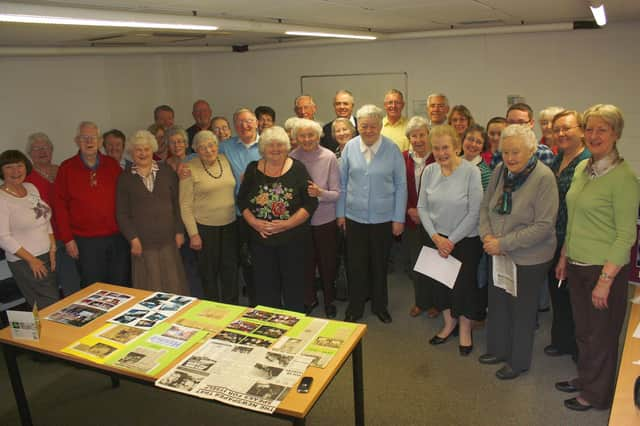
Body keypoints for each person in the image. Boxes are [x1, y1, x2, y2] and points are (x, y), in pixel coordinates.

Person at [555, 104, 639, 411]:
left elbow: (626, 235)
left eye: (601, 129)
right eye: (589, 129)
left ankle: (597, 395)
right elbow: (574, 217)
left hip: (603, 271)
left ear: (615, 134)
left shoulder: (624, 178)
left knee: (601, 335)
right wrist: (564, 254)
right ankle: (587, 378)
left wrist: (605, 280)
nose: (594, 135)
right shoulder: (582, 168)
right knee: (584, 331)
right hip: (576, 264)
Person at [478, 124, 559, 379]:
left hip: (529, 257)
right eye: (506, 151)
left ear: (532, 150)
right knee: (499, 304)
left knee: (522, 311)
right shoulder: (501, 170)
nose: (510, 158)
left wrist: (503, 244)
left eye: (516, 152)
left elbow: (544, 226)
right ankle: (499, 349)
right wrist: (487, 237)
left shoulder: (544, 178)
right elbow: (485, 207)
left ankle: (518, 361)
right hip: (498, 251)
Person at [337, 104, 407, 323]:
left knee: (379, 263)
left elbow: (401, 185)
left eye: (373, 126)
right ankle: (355, 306)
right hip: (354, 216)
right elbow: (342, 183)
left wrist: (398, 218)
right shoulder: (349, 147)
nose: (368, 130)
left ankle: (380, 305)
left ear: (380, 126)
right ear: (357, 126)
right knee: (355, 264)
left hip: (383, 218)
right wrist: (341, 214)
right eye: (364, 126)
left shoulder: (392, 149)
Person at [417, 125, 483, 356]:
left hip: (464, 240)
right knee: (440, 285)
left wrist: (450, 240)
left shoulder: (470, 172)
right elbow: (422, 207)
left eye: (446, 147)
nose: (441, 153)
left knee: (463, 287)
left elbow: (474, 212)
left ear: (456, 147)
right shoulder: (429, 171)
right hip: (436, 238)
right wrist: (436, 237)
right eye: (436, 148)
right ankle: (449, 324)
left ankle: (465, 329)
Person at [237, 126, 318, 313]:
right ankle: (270, 326)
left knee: (294, 287)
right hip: (261, 241)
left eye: (280, 145)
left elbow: (310, 203)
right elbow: (242, 201)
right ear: (263, 148)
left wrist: (287, 224)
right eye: (270, 145)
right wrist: (255, 223)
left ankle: (294, 326)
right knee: (265, 288)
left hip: (293, 240)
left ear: (287, 146)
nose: (275, 149)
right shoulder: (252, 169)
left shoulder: (298, 168)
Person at [54, 121, 130, 288]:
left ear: (100, 141)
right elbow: (59, 207)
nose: (89, 142)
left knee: (121, 285)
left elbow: (126, 199)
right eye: (84, 138)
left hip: (116, 238)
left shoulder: (112, 165)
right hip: (85, 241)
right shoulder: (66, 168)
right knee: (94, 289)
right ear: (76, 141)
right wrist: (68, 239)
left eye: (93, 138)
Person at [544, 110, 591, 361]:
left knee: (576, 296)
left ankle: (577, 347)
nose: (561, 133)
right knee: (557, 291)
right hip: (553, 236)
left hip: (574, 237)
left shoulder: (587, 162)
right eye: (557, 129)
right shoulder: (556, 159)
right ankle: (561, 339)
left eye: (567, 128)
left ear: (581, 131)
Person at [116, 130, 188, 295]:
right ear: (131, 152)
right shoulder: (124, 178)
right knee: (149, 289)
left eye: (146, 149)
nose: (143, 153)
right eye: (138, 150)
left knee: (175, 286)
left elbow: (177, 204)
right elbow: (122, 214)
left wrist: (179, 231)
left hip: (169, 240)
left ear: (153, 150)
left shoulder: (167, 172)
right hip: (143, 244)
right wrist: (133, 239)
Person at [289, 119, 340, 318]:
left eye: (311, 135)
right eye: (302, 135)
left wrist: (320, 193)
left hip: (325, 220)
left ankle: (329, 300)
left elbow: (336, 193)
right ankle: (309, 298)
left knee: (327, 263)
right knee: (304, 263)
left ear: (319, 136)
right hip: (300, 222)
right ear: (296, 138)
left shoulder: (328, 157)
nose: (307, 139)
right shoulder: (292, 157)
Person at [180, 131, 238, 303]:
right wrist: (193, 234)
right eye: (202, 147)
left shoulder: (226, 160)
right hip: (204, 228)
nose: (208, 150)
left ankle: (232, 307)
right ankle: (213, 309)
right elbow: (185, 204)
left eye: (211, 145)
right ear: (196, 149)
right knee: (208, 274)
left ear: (217, 145)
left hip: (230, 224)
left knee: (230, 271)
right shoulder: (189, 168)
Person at [24, 132, 82, 296]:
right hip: (47, 240)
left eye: (46, 147)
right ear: (30, 153)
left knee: (74, 282)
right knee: (51, 288)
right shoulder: (27, 178)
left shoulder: (62, 170)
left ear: (52, 150)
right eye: (36, 149)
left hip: (70, 235)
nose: (42, 151)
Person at [0, 150, 59, 308]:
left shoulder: (31, 188)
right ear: (1, 170)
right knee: (49, 305)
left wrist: (52, 248)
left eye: (19, 166)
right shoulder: (2, 198)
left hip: (46, 256)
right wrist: (32, 260)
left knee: (50, 304)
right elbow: (3, 238)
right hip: (26, 262)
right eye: (9, 167)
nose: (15, 171)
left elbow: (44, 217)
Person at [219, 108, 262, 305]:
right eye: (240, 122)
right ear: (235, 126)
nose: (245, 126)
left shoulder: (268, 144)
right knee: (239, 259)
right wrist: (185, 164)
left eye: (248, 121)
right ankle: (237, 302)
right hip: (235, 213)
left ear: (256, 123)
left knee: (260, 260)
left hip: (263, 213)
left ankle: (259, 300)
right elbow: (203, 156)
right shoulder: (224, 146)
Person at [402, 117, 437, 319]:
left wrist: (425, 213)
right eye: (414, 135)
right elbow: (398, 188)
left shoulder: (438, 157)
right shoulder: (403, 158)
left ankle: (436, 302)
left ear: (428, 136)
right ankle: (421, 301)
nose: (418, 139)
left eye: (422, 134)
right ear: (409, 138)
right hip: (411, 219)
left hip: (434, 220)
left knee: (434, 261)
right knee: (417, 262)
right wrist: (409, 209)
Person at [164, 125, 202, 297]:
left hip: (196, 218)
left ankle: (197, 296)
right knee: (179, 262)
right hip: (173, 219)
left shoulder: (195, 160)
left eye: (180, 141)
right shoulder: (164, 166)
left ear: (186, 143)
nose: (177, 145)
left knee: (195, 263)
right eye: (172, 142)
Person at [490, 103, 555, 169]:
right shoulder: (499, 153)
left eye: (521, 122)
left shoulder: (542, 153)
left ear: (531, 124)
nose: (515, 126)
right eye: (511, 122)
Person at [461, 125, 492, 190]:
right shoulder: (452, 163)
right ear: (463, 140)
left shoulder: (485, 173)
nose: (473, 144)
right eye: (470, 139)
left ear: (483, 147)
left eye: (479, 142)